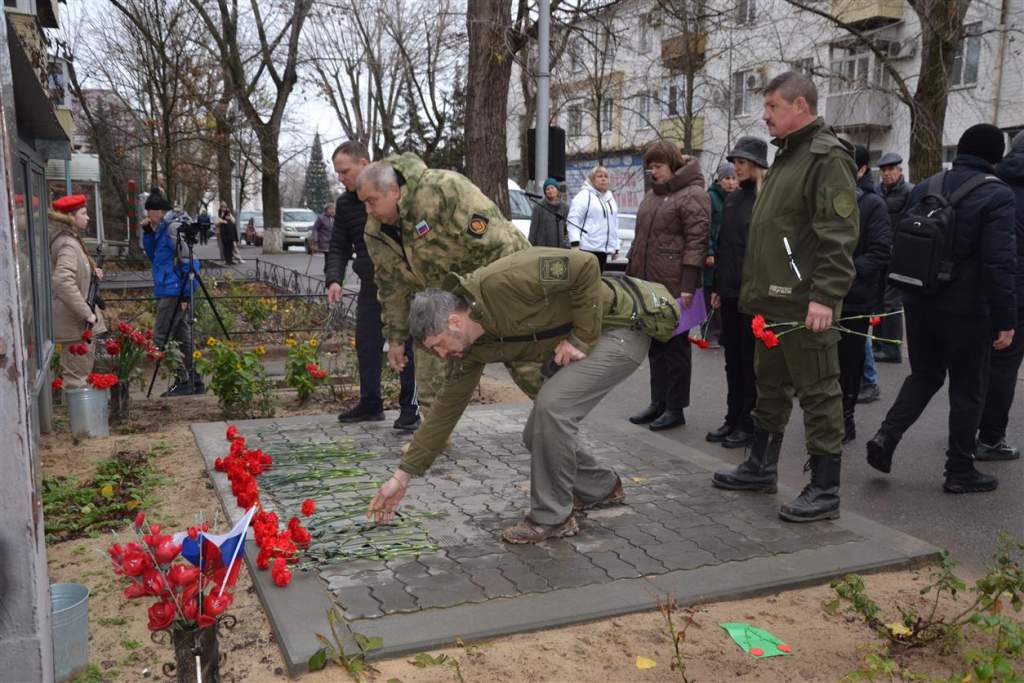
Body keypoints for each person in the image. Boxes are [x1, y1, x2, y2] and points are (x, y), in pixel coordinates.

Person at [365, 248, 679, 544]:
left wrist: (581, 338)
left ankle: (552, 518)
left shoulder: (502, 281)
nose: (442, 354)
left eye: (438, 345)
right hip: (600, 335)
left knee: (552, 407)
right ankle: (601, 487)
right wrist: (402, 476)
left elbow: (585, 265)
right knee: (537, 434)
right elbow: (445, 411)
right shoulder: (472, 348)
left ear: (454, 322)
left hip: (623, 326)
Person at [711, 71, 858, 522]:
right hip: (772, 303)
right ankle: (760, 465)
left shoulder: (825, 157)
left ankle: (826, 489)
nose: (765, 115)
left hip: (803, 303)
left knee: (818, 392)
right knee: (769, 388)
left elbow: (837, 234)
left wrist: (824, 297)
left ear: (800, 106)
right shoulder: (785, 160)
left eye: (773, 106)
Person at [866, 124, 1017, 493]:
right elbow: (999, 264)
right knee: (968, 388)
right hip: (967, 310)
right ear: (994, 156)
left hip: (920, 301)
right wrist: (1006, 319)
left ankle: (886, 437)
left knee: (924, 376)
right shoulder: (997, 195)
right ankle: (959, 470)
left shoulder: (926, 186)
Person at [355, 152, 542, 418]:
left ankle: (557, 427)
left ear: (394, 191)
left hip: (499, 291)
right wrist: (396, 338)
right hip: (441, 305)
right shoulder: (376, 232)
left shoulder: (444, 190)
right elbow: (391, 286)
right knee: (429, 368)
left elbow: (499, 245)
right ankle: (432, 441)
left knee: (528, 368)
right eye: (364, 204)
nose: (369, 212)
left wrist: (484, 306)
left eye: (372, 202)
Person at [324, 141, 419, 431]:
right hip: (370, 284)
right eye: (337, 173)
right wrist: (334, 278)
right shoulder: (344, 204)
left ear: (364, 163)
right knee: (367, 344)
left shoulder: (393, 191)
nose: (341, 177)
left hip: (402, 284)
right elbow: (338, 245)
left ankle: (410, 408)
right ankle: (370, 403)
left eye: (345, 171)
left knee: (406, 345)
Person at [626, 140, 710, 431]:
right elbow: (641, 241)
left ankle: (675, 408)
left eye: (658, 166)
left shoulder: (693, 195)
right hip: (649, 285)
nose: (653, 172)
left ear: (673, 165)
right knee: (656, 347)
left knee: (676, 349)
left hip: (676, 285)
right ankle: (658, 402)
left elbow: (697, 242)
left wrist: (688, 284)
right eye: (650, 167)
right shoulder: (653, 195)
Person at [707, 136, 769, 449]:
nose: (737, 167)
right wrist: (717, 287)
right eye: (735, 162)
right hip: (730, 292)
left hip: (754, 295)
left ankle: (748, 423)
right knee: (732, 360)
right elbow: (724, 246)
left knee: (749, 362)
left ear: (758, 165)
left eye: (742, 162)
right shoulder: (732, 198)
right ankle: (733, 417)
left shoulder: (765, 197)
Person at [838, 145, 891, 443]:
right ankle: (827, 417)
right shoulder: (830, 197)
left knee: (850, 362)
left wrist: (844, 271)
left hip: (855, 297)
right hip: (825, 294)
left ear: (861, 170)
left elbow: (880, 252)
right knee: (825, 363)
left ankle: (845, 419)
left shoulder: (873, 204)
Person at [976, 132, 1024, 461]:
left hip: (980, 287)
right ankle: (991, 437)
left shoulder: (992, 183)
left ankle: (969, 426)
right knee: (1005, 365)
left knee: (982, 362)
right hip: (1015, 292)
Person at [141, 188, 203, 396]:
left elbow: (190, 261)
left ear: (158, 211)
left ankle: (183, 379)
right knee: (181, 335)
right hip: (169, 287)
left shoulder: (172, 228)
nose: (148, 215)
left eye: (150, 211)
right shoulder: (161, 229)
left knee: (160, 336)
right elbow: (155, 257)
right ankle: (194, 379)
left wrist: (186, 294)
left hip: (174, 290)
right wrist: (148, 233)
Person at [49, 194, 106, 388]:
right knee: (76, 379)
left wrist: (90, 270)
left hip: (76, 323)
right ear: (70, 216)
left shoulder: (70, 240)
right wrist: (86, 313)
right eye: (83, 213)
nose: (88, 217)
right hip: (76, 324)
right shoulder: (68, 244)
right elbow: (63, 281)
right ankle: (81, 419)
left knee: (78, 376)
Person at [874, 151, 913, 364]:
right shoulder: (878, 192)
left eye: (891, 170)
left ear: (900, 170)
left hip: (897, 255)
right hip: (879, 254)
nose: (887, 174)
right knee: (878, 300)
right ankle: (878, 343)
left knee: (891, 302)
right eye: (883, 170)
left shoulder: (909, 192)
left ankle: (892, 348)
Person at [704, 162, 737, 346]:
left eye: (733, 178)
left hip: (727, 253)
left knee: (724, 292)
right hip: (713, 254)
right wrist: (708, 251)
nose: (731, 182)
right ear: (719, 180)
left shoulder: (736, 198)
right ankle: (710, 332)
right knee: (710, 292)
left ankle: (723, 332)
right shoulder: (711, 197)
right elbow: (706, 226)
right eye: (727, 178)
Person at [566, 166, 619, 271]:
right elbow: (573, 220)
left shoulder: (610, 198)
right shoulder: (584, 196)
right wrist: (575, 244)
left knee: (597, 282)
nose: (603, 179)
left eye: (605, 176)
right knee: (585, 283)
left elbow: (614, 224)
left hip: (603, 250)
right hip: (586, 249)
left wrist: (615, 247)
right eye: (599, 176)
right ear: (592, 179)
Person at [528, 177, 568, 248]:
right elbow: (533, 230)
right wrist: (530, 246)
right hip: (543, 247)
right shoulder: (538, 207)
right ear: (545, 192)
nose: (550, 191)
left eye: (552, 188)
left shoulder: (564, 207)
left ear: (557, 189)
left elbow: (567, 228)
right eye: (547, 189)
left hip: (560, 247)